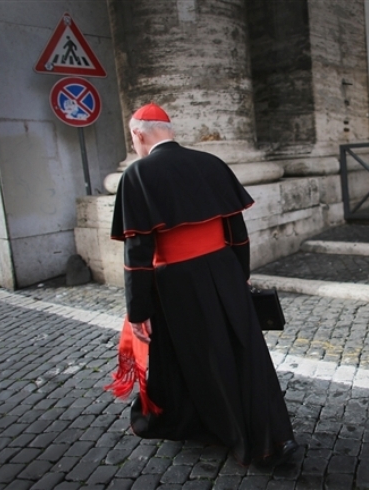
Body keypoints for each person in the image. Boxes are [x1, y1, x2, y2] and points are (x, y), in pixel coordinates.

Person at [106, 102, 298, 466]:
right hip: (225, 270)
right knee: (243, 354)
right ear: (170, 129)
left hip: (178, 283)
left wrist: (138, 311)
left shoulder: (138, 175)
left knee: (201, 360)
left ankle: (218, 428)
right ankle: (271, 434)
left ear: (138, 134)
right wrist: (238, 276)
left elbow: (138, 253)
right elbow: (237, 232)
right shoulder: (211, 163)